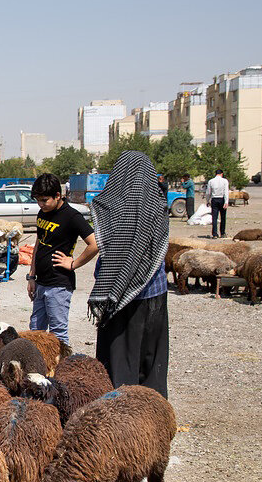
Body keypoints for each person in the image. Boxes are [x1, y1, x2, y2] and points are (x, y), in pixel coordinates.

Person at [89, 150, 169, 397]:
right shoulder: (158, 206)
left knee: (119, 362)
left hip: (118, 297)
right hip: (154, 291)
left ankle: (122, 417)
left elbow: (109, 252)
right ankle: (151, 412)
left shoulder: (108, 208)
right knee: (151, 358)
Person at [26, 173, 98, 346]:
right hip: (41, 283)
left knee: (58, 335)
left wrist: (73, 263)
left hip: (58, 285)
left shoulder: (72, 216)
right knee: (35, 331)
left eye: (44, 200)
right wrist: (31, 276)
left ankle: (59, 372)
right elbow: (39, 244)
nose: (40, 204)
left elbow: (94, 244)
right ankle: (38, 371)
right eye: (37, 200)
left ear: (57, 196)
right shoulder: (42, 213)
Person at [205, 169, 229, 238]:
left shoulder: (211, 181)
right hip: (222, 199)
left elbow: (208, 192)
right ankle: (223, 233)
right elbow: (226, 192)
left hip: (214, 199)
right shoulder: (225, 181)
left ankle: (214, 234)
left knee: (214, 217)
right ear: (222, 174)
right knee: (223, 217)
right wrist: (226, 201)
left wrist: (207, 201)